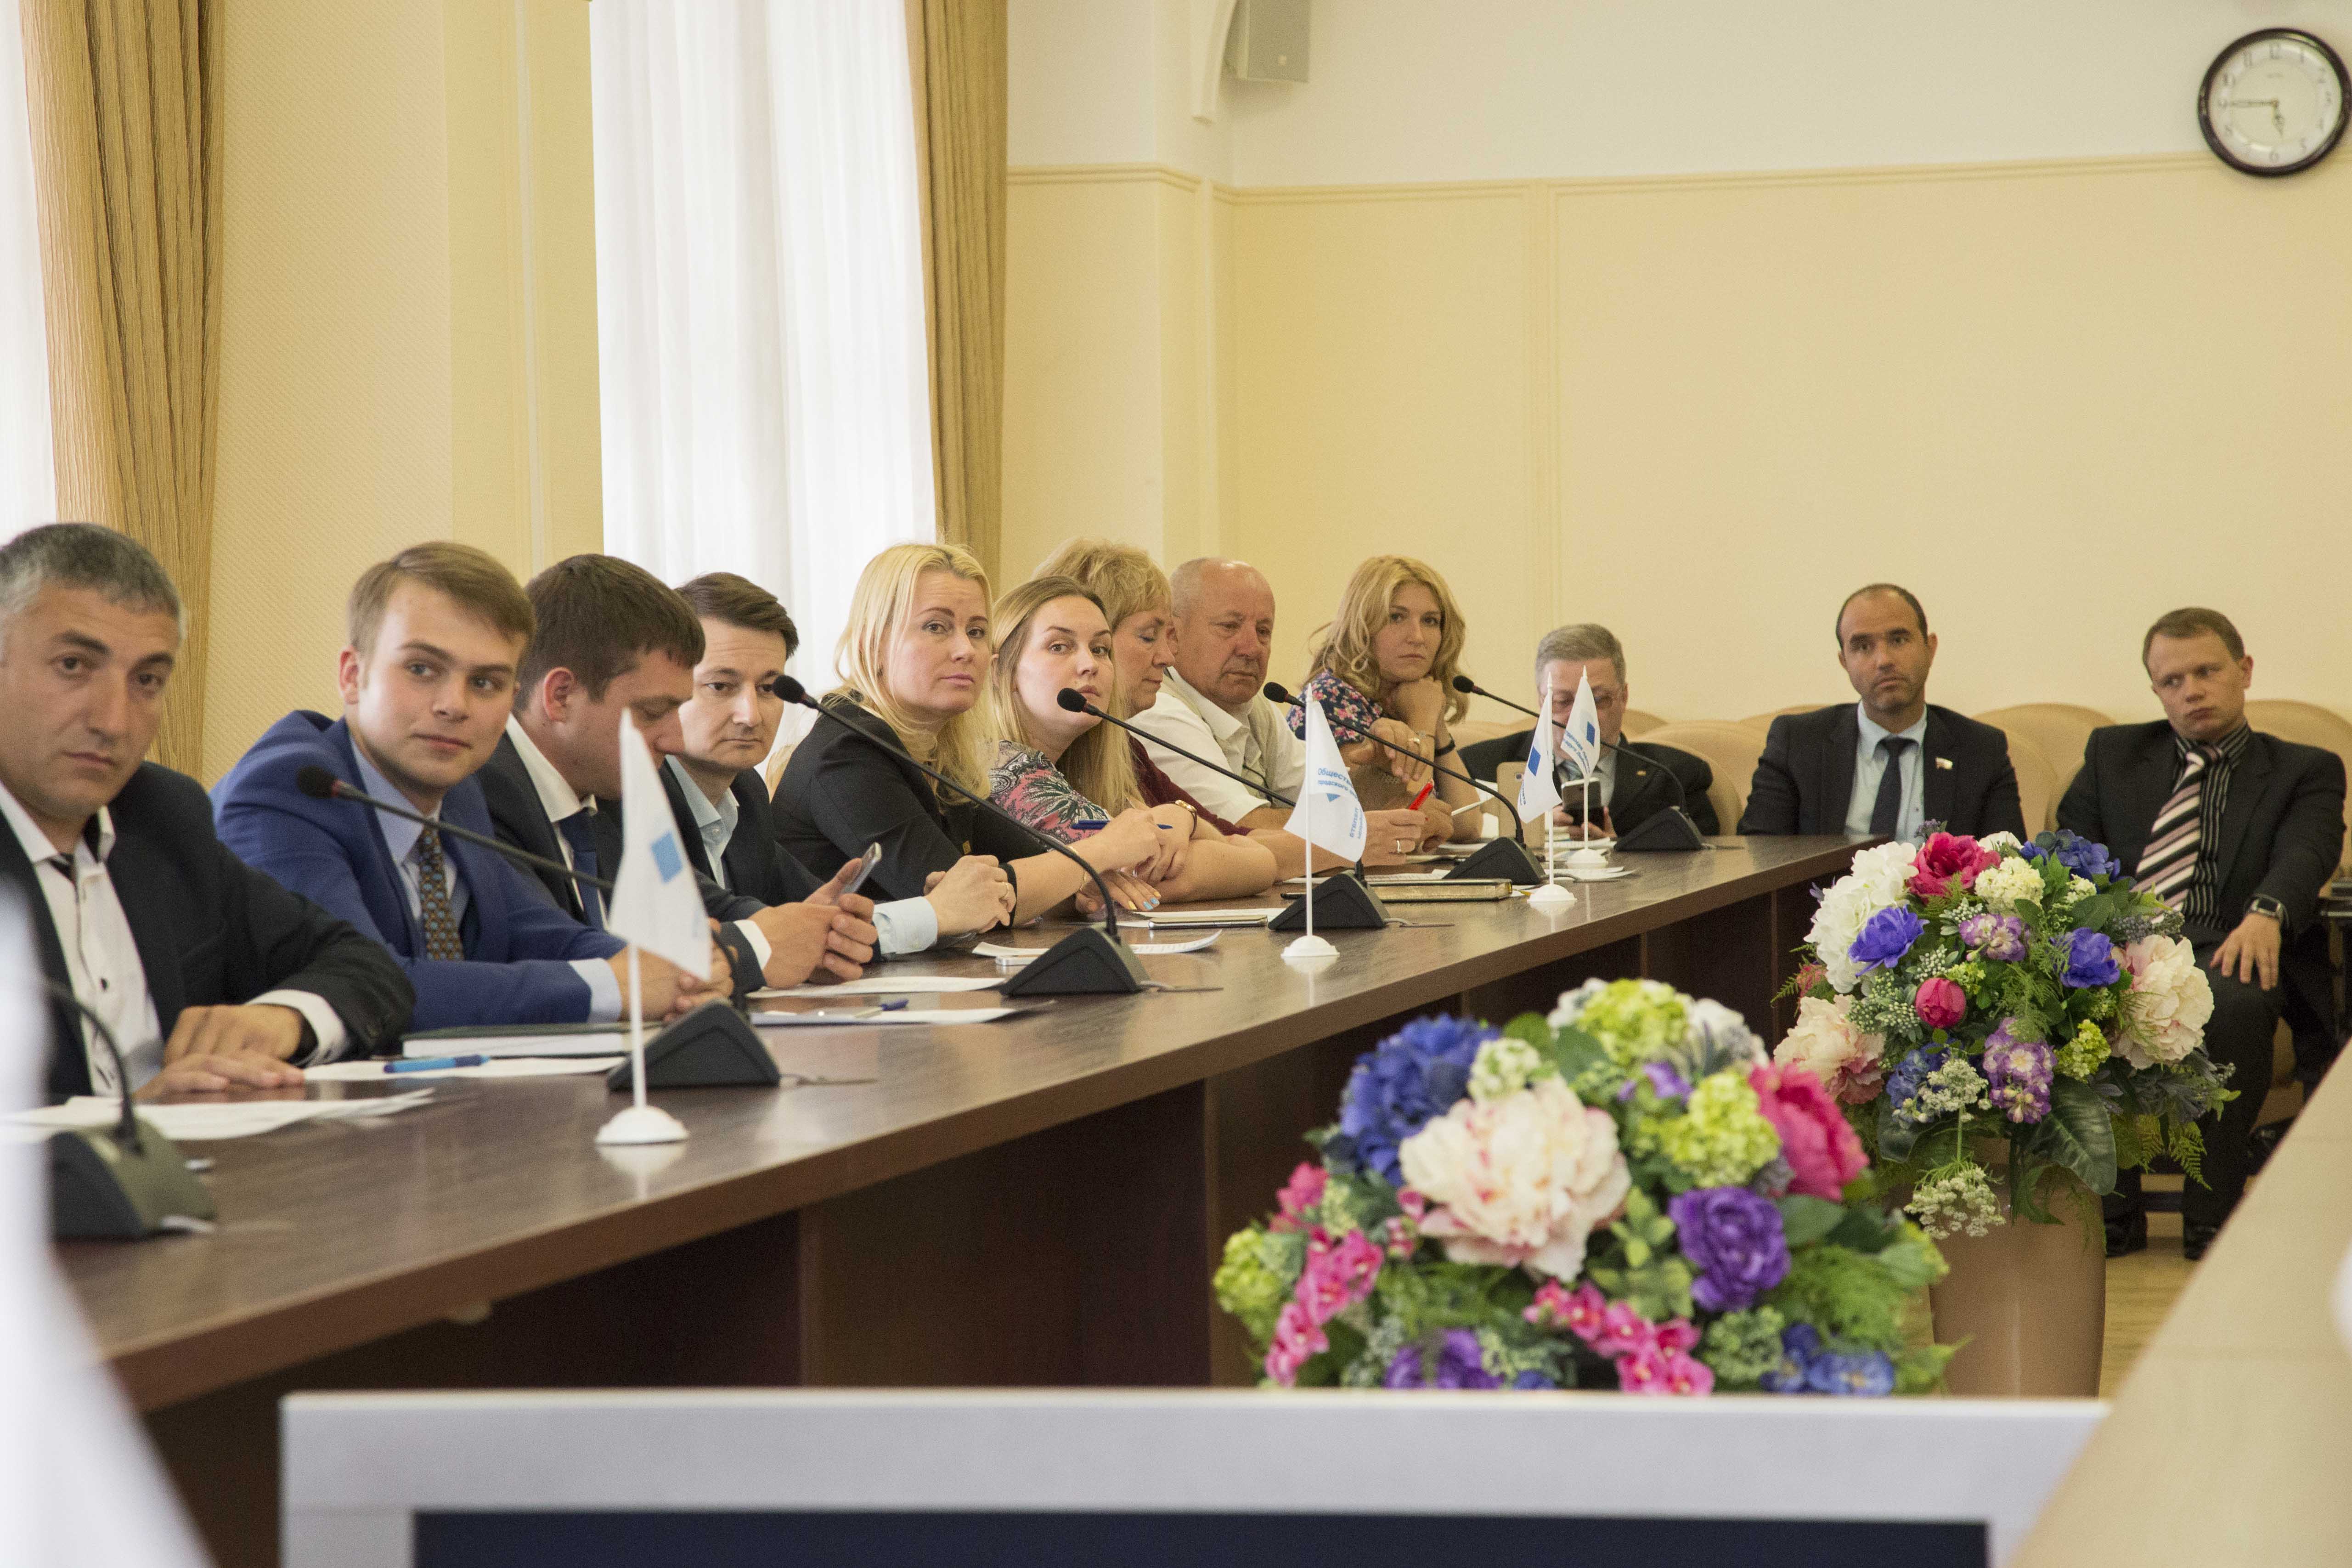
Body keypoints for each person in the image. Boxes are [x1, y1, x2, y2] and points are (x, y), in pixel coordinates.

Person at [214, 544, 725, 1032]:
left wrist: (666, 971)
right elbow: (362, 985)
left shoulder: (456, 789)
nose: (454, 706)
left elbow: (533, 931)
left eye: (485, 683)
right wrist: (614, 985)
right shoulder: (290, 792)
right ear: (352, 676)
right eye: (421, 669)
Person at [0, 524, 411, 1100]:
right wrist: (126, 1122)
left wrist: (282, 1018)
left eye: (147, 680)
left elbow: (365, 966)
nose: (113, 720)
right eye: (73, 665)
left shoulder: (161, 816)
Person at [2058, 607, 2344, 1260]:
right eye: (2173, 680)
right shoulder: (2111, 755)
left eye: (2207, 672)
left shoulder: (2304, 768)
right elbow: (2071, 851)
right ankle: (2114, 1211)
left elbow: (2309, 850)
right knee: (2069, 997)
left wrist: (2267, 912)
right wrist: (2095, 936)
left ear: (2244, 671)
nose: (2192, 690)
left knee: (2236, 997)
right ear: (2156, 691)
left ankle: (2211, 1212)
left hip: (2232, 940)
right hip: (2124, 943)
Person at [479, 555, 877, 991]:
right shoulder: (485, 788)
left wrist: (803, 932)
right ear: (560, 696)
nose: (672, 740)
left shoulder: (605, 791)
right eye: (652, 713)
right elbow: (553, 952)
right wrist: (758, 947)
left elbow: (685, 902)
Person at [770, 542, 1166, 919]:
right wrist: (1099, 853)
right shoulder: (848, 754)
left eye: (976, 632)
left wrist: (1075, 887)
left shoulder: (942, 753)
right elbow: (960, 904)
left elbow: (1025, 863)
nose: (965, 650)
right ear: (872, 645)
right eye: (936, 627)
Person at [666, 571, 1013, 937]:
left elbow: (810, 917)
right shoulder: (640, 799)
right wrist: (933, 914)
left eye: (768, 688)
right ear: (666, 686)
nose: (750, 715)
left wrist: (931, 911)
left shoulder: (744, 792)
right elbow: (735, 927)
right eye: (720, 686)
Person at [1037, 538, 1367, 881]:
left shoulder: (1121, 747)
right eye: (1149, 637)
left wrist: (1190, 824)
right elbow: (1161, 872)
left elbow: (1233, 841)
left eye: (1264, 631)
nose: (1167, 656)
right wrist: (1349, 841)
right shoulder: (1020, 770)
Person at [985, 575, 1278, 901]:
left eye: (1100, 649)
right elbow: (1171, 875)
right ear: (1002, 673)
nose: (1090, 665)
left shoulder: (1094, 769)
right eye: (1059, 647)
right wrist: (1195, 833)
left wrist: (1185, 818)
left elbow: (1259, 862)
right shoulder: (1006, 767)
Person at [1131, 557, 1437, 864]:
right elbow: (1243, 827)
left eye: (1263, 631)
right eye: (1229, 627)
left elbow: (1329, 802)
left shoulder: (1255, 705)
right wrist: (1368, 826)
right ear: (1173, 635)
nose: (1252, 648)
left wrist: (1381, 770)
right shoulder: (1159, 710)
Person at [1740, 583, 2025, 840]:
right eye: (1863, 647)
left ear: (1930, 649)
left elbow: (2008, 866)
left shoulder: (1982, 750)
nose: (1884, 660)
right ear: (1844, 662)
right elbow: (1758, 855)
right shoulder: (1797, 743)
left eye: (1898, 640)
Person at [1460, 624, 1718, 840]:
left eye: (1596, 700)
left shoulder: (1674, 776)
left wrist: (1619, 849)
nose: (1579, 719)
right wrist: (1537, 836)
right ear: (1541, 701)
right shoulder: (1479, 767)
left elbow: (1706, 862)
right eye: (1563, 701)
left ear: (1624, 697)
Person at [1292, 555, 1482, 845]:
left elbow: (1468, 825)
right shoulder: (1328, 699)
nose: (1417, 637)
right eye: (1396, 617)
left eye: (1430, 621)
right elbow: (1410, 826)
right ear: (1363, 626)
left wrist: (1435, 722)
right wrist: (1422, 721)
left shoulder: (1407, 696)